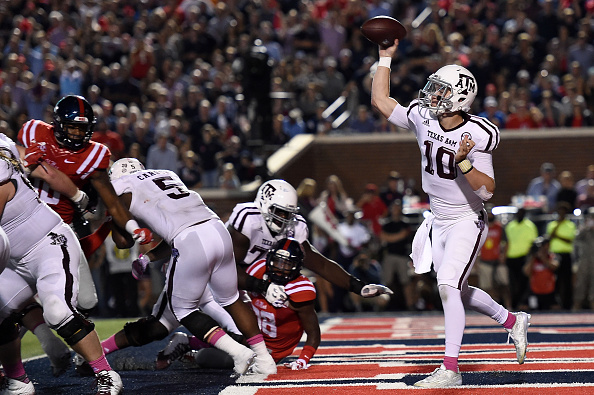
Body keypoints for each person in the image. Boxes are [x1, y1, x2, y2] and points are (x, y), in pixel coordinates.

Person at [371, 40, 529, 388]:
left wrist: (464, 162)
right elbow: (381, 102)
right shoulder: (423, 115)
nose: (431, 94)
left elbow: (487, 190)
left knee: (446, 285)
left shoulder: (477, 133)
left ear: (458, 97)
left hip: (465, 219)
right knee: (458, 288)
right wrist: (385, 58)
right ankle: (512, 320)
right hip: (437, 220)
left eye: (440, 90)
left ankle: (451, 369)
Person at [94, 157, 276, 375]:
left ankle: (238, 352)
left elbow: (123, 241)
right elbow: (177, 227)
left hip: (190, 240)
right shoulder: (166, 174)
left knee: (182, 309)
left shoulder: (121, 185)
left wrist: (114, 217)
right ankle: (265, 360)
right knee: (232, 299)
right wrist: (148, 257)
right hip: (216, 229)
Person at [17, 94, 153, 376]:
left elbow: (111, 203)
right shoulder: (33, 130)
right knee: (12, 299)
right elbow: (17, 170)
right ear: (57, 124)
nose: (77, 133)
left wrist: (129, 226)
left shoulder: (96, 154)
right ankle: (23, 366)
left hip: (59, 231)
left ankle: (79, 354)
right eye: (72, 127)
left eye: (82, 128)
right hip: (20, 224)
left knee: (87, 301)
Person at [0, 133, 123, 394]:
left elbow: (37, 167)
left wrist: (78, 198)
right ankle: (17, 380)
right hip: (13, 259)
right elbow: (34, 162)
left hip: (47, 244)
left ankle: (105, 372)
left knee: (58, 311)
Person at [225, 179, 392, 313]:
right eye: (279, 212)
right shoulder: (249, 219)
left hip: (257, 281)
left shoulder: (294, 227)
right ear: (264, 205)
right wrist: (262, 286)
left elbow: (320, 264)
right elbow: (228, 270)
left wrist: (358, 286)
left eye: (289, 213)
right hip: (224, 277)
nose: (285, 218)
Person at [157, 237, 320, 371]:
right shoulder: (259, 269)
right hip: (247, 330)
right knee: (222, 301)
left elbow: (313, 333)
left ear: (297, 266)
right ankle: (190, 342)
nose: (280, 268)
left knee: (214, 360)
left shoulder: (300, 290)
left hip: (273, 350)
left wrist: (303, 359)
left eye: (287, 264)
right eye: (277, 262)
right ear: (270, 259)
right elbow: (230, 282)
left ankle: (192, 346)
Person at [379, 199, 413, 310]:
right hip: (389, 255)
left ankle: (410, 305)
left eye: (397, 208)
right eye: (394, 208)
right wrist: (397, 237)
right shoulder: (387, 224)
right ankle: (385, 305)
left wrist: (391, 238)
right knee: (387, 281)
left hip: (402, 256)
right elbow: (383, 237)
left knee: (406, 282)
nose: (395, 210)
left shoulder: (405, 223)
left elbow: (404, 235)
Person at [504, 208, 539, 310]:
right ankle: (514, 304)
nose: (519, 215)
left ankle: (522, 303)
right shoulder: (510, 226)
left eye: (522, 213)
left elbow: (533, 243)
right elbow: (506, 242)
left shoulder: (530, 226)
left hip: (523, 257)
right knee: (512, 283)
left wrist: (530, 257)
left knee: (523, 282)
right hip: (511, 258)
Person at [545, 201, 577, 310]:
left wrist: (557, 235)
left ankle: (567, 304)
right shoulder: (552, 225)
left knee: (567, 280)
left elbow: (570, 240)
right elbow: (549, 238)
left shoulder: (570, 225)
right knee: (554, 281)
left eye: (563, 212)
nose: (561, 214)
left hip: (566, 255)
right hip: (554, 255)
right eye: (559, 211)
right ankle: (554, 303)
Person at [523, 236, 559, 310]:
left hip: (549, 290)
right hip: (535, 290)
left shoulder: (552, 256)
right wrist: (533, 256)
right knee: (526, 307)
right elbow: (526, 272)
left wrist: (542, 257)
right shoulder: (532, 258)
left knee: (556, 308)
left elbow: (554, 266)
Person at [573, 207, 594, 310]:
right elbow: (576, 240)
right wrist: (586, 228)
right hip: (584, 261)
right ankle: (577, 306)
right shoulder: (584, 230)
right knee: (580, 284)